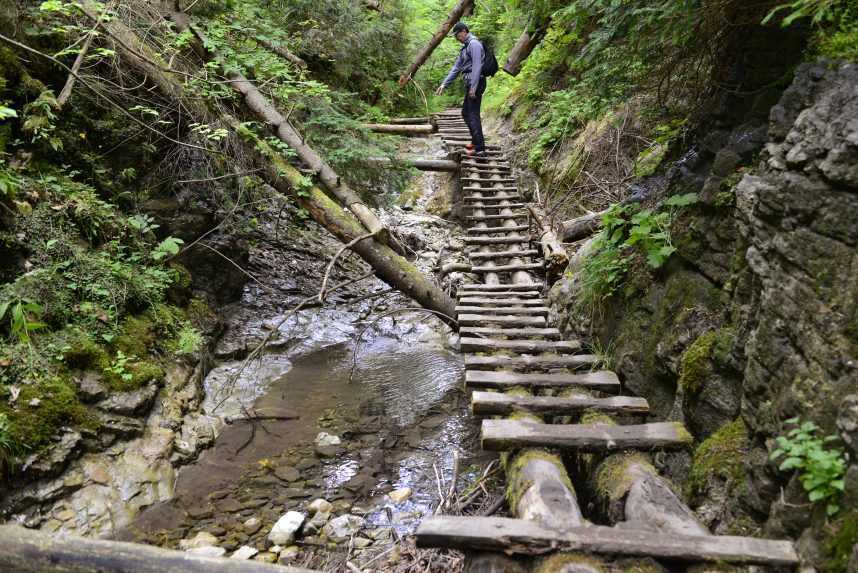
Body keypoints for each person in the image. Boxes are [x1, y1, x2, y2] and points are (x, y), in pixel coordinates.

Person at [435, 22, 486, 157]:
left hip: (476, 83)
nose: (457, 38)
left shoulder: (474, 44)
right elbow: (456, 68)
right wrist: (444, 84)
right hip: (470, 84)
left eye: (457, 35)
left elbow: (477, 66)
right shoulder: (465, 48)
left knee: (473, 115)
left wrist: (474, 87)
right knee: (465, 113)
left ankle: (480, 148)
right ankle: (476, 142)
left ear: (464, 31)